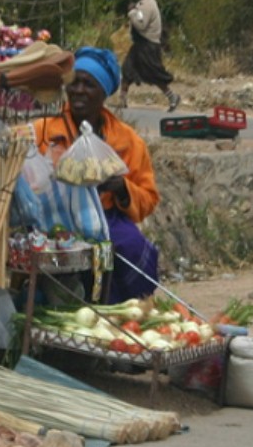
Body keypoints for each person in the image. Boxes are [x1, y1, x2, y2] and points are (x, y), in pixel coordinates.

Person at [34, 47, 161, 304]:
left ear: (104, 93)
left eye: (89, 84)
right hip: (54, 217)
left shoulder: (127, 141)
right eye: (75, 83)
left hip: (106, 218)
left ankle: (119, 310)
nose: (79, 90)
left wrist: (122, 188)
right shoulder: (45, 129)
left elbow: (148, 198)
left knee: (131, 247)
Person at [120, 0, 179, 112]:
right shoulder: (148, 3)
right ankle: (122, 99)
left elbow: (141, 25)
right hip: (142, 45)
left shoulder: (147, 4)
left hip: (147, 45)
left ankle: (172, 97)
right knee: (127, 68)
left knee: (154, 74)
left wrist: (131, 12)